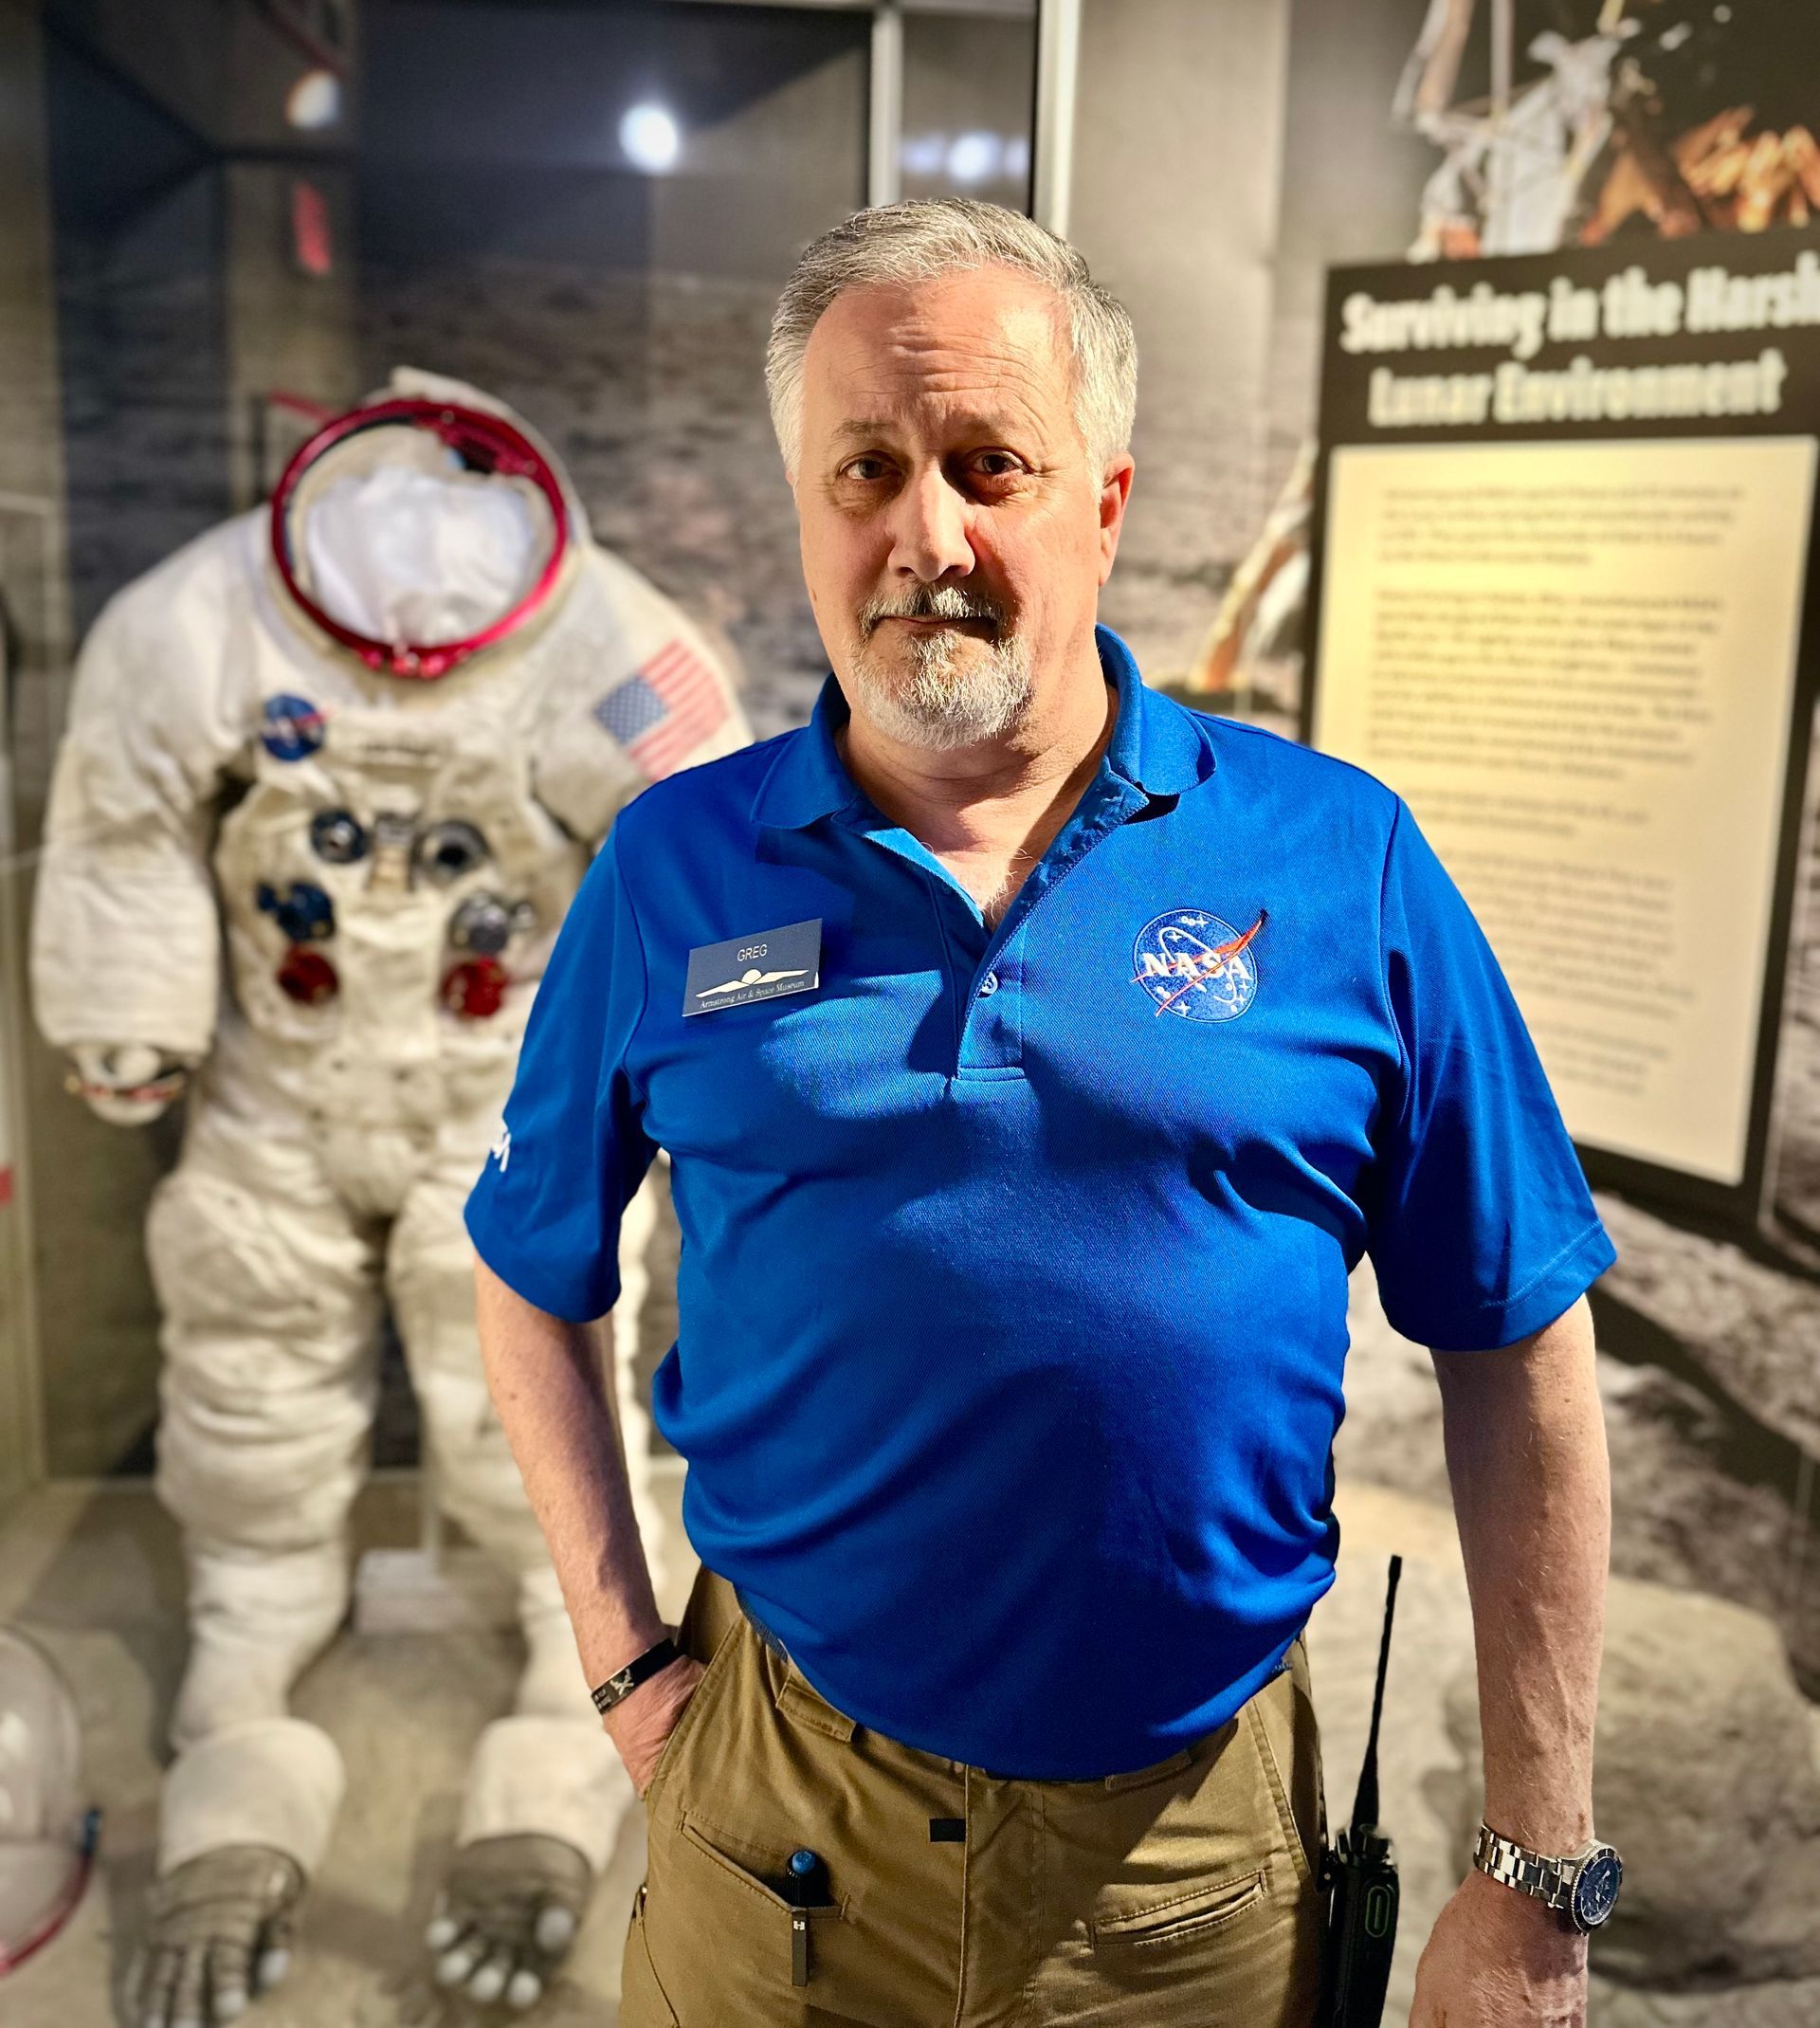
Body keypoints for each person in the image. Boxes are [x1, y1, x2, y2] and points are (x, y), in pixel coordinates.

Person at [466, 199, 1619, 2027]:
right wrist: (622, 1670)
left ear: (1105, 499)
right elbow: (531, 1271)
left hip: (1190, 1858)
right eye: (867, 469)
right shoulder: (674, 869)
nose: (927, 532)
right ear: (805, 509)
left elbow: (1521, 1338)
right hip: (776, 1819)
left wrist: (1537, 1864)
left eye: (990, 462)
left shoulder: (1338, 858)